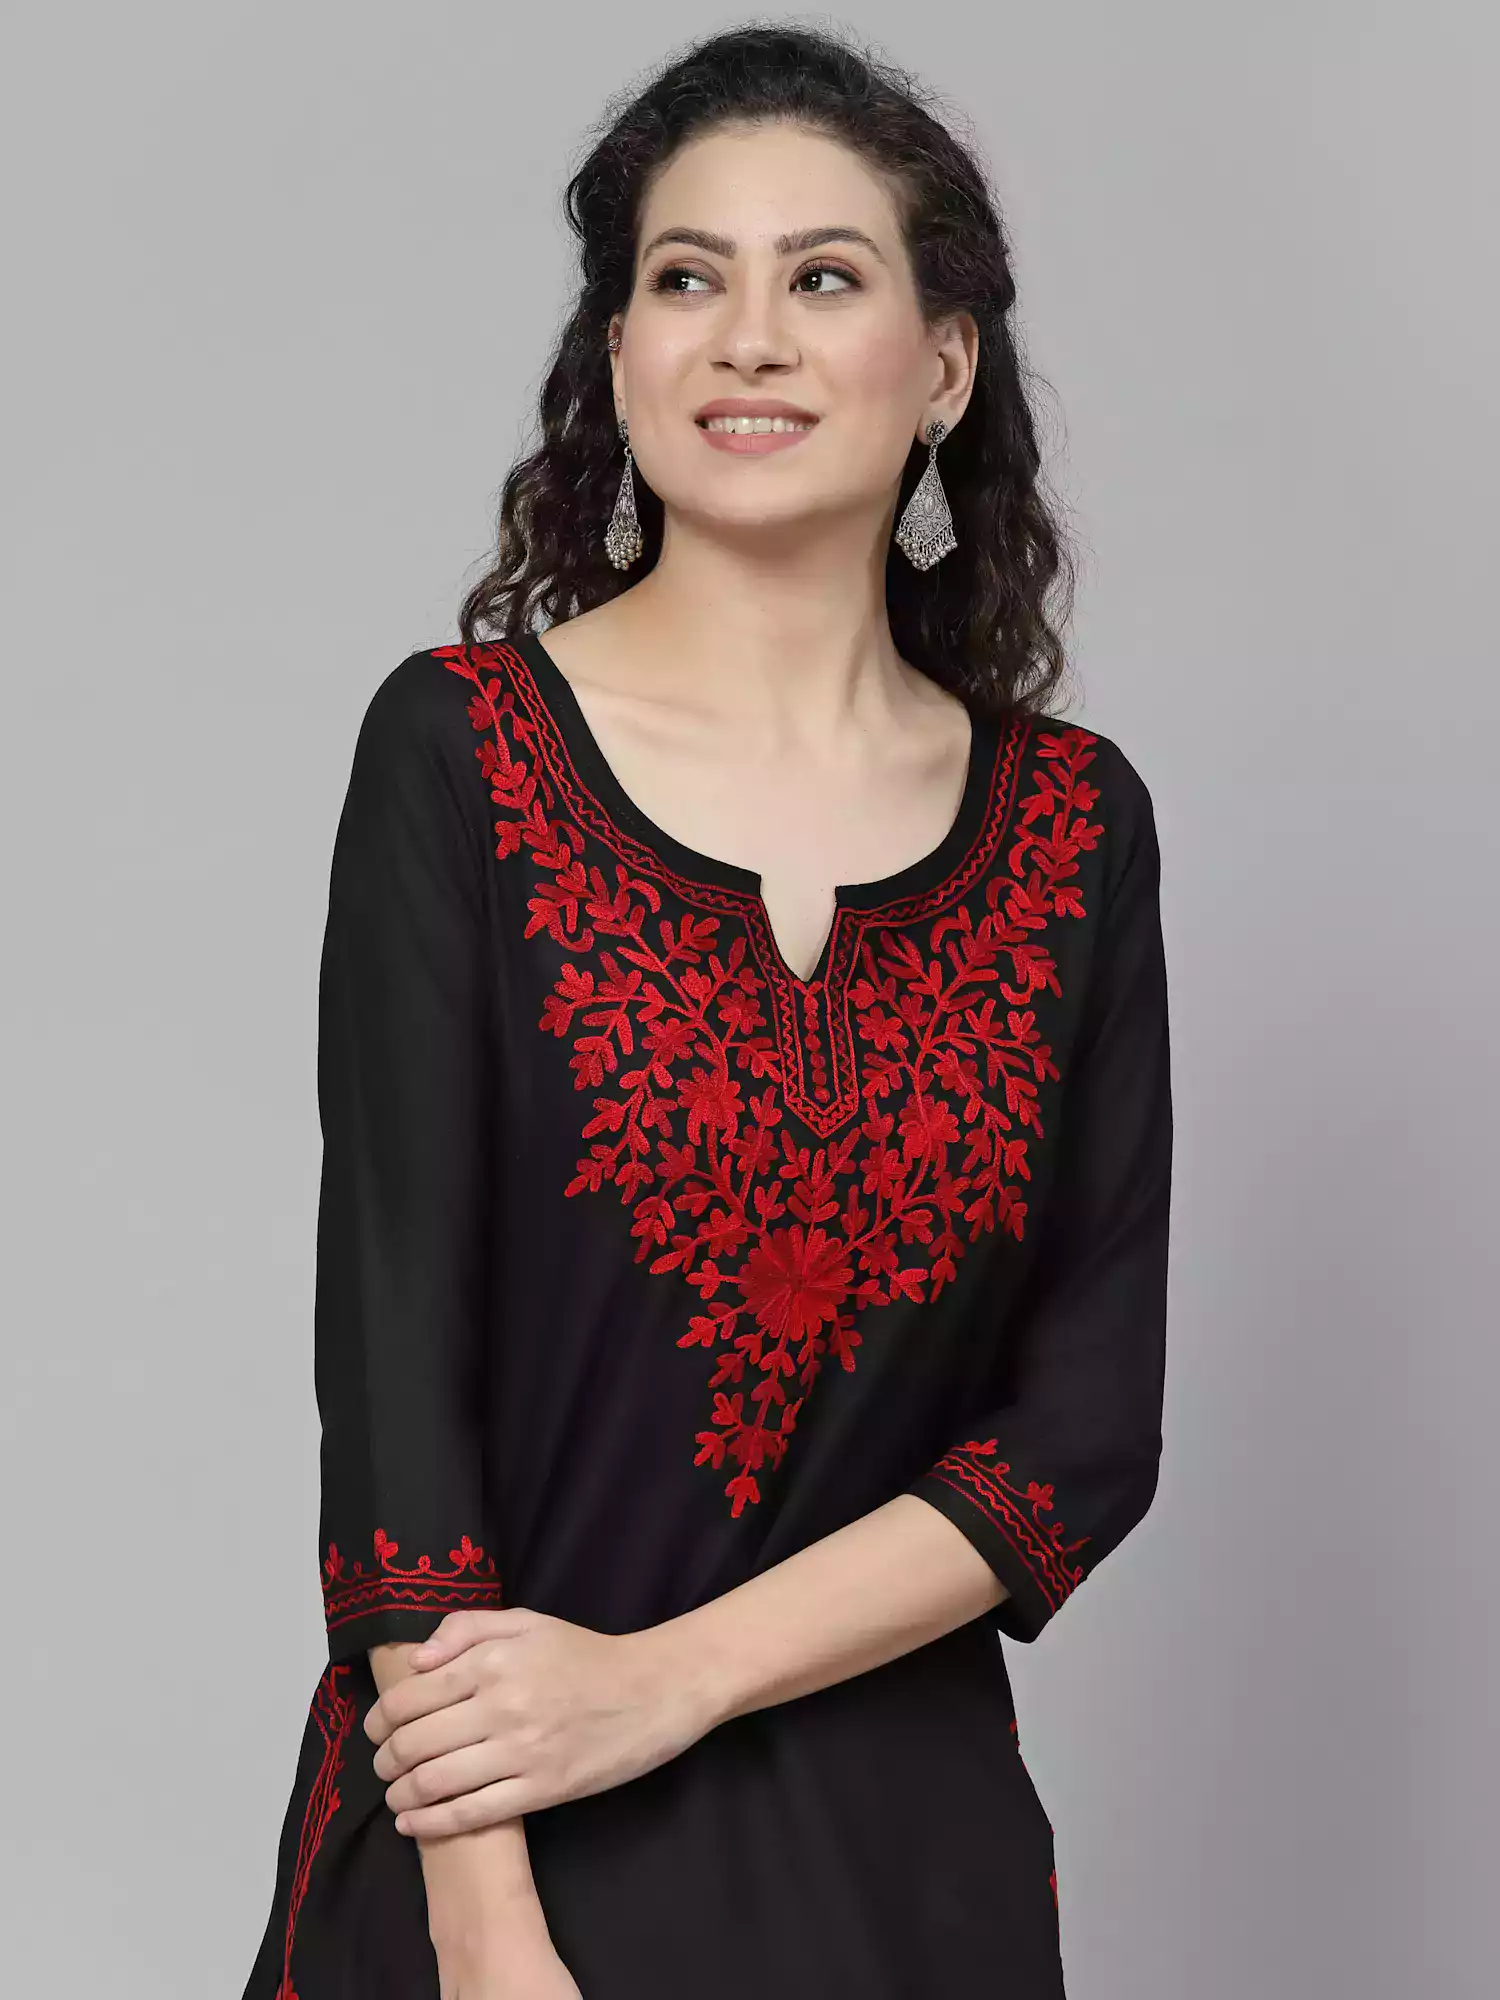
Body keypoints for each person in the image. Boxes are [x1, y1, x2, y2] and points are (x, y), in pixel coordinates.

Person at [241, 23, 1173, 1999]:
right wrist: (487, 1926)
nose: (749, 338)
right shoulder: (463, 756)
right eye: (688, 278)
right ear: (620, 353)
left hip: (907, 1880)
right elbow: (399, 1395)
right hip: (496, 1850)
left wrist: (663, 1683)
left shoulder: (1075, 831)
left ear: (944, 366)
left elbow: (1081, 1438)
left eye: (823, 278)